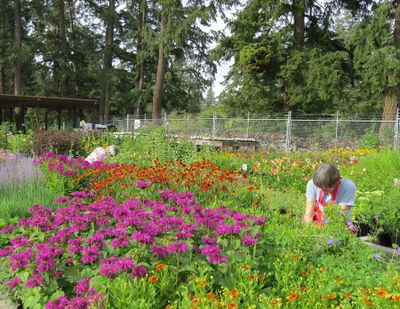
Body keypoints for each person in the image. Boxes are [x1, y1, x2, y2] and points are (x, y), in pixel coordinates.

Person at [304, 163, 356, 231]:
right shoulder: (312, 184)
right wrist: (308, 229)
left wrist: (323, 209)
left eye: (326, 189)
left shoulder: (349, 186)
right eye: (320, 187)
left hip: (340, 224)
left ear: (338, 182)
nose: (322, 190)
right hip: (318, 221)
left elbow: (341, 213)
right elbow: (309, 211)